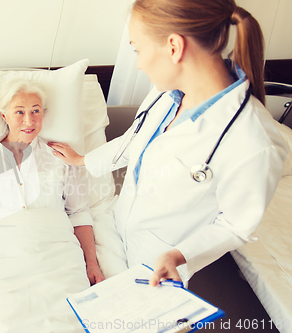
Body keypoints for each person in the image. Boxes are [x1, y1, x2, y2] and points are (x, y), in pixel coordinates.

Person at [48, 0, 288, 286]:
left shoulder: (254, 139)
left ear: (174, 47)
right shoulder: (165, 94)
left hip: (157, 260)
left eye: (137, 49)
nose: (137, 63)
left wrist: (178, 255)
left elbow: (235, 225)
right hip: (116, 225)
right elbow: (135, 140)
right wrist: (82, 160)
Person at [0, 78, 104, 330]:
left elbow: (79, 212)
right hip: (2, 259)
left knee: (70, 321)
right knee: (1, 323)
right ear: (3, 115)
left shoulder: (61, 156)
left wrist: (91, 263)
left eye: (36, 111)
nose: (29, 120)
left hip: (57, 254)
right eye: (20, 112)